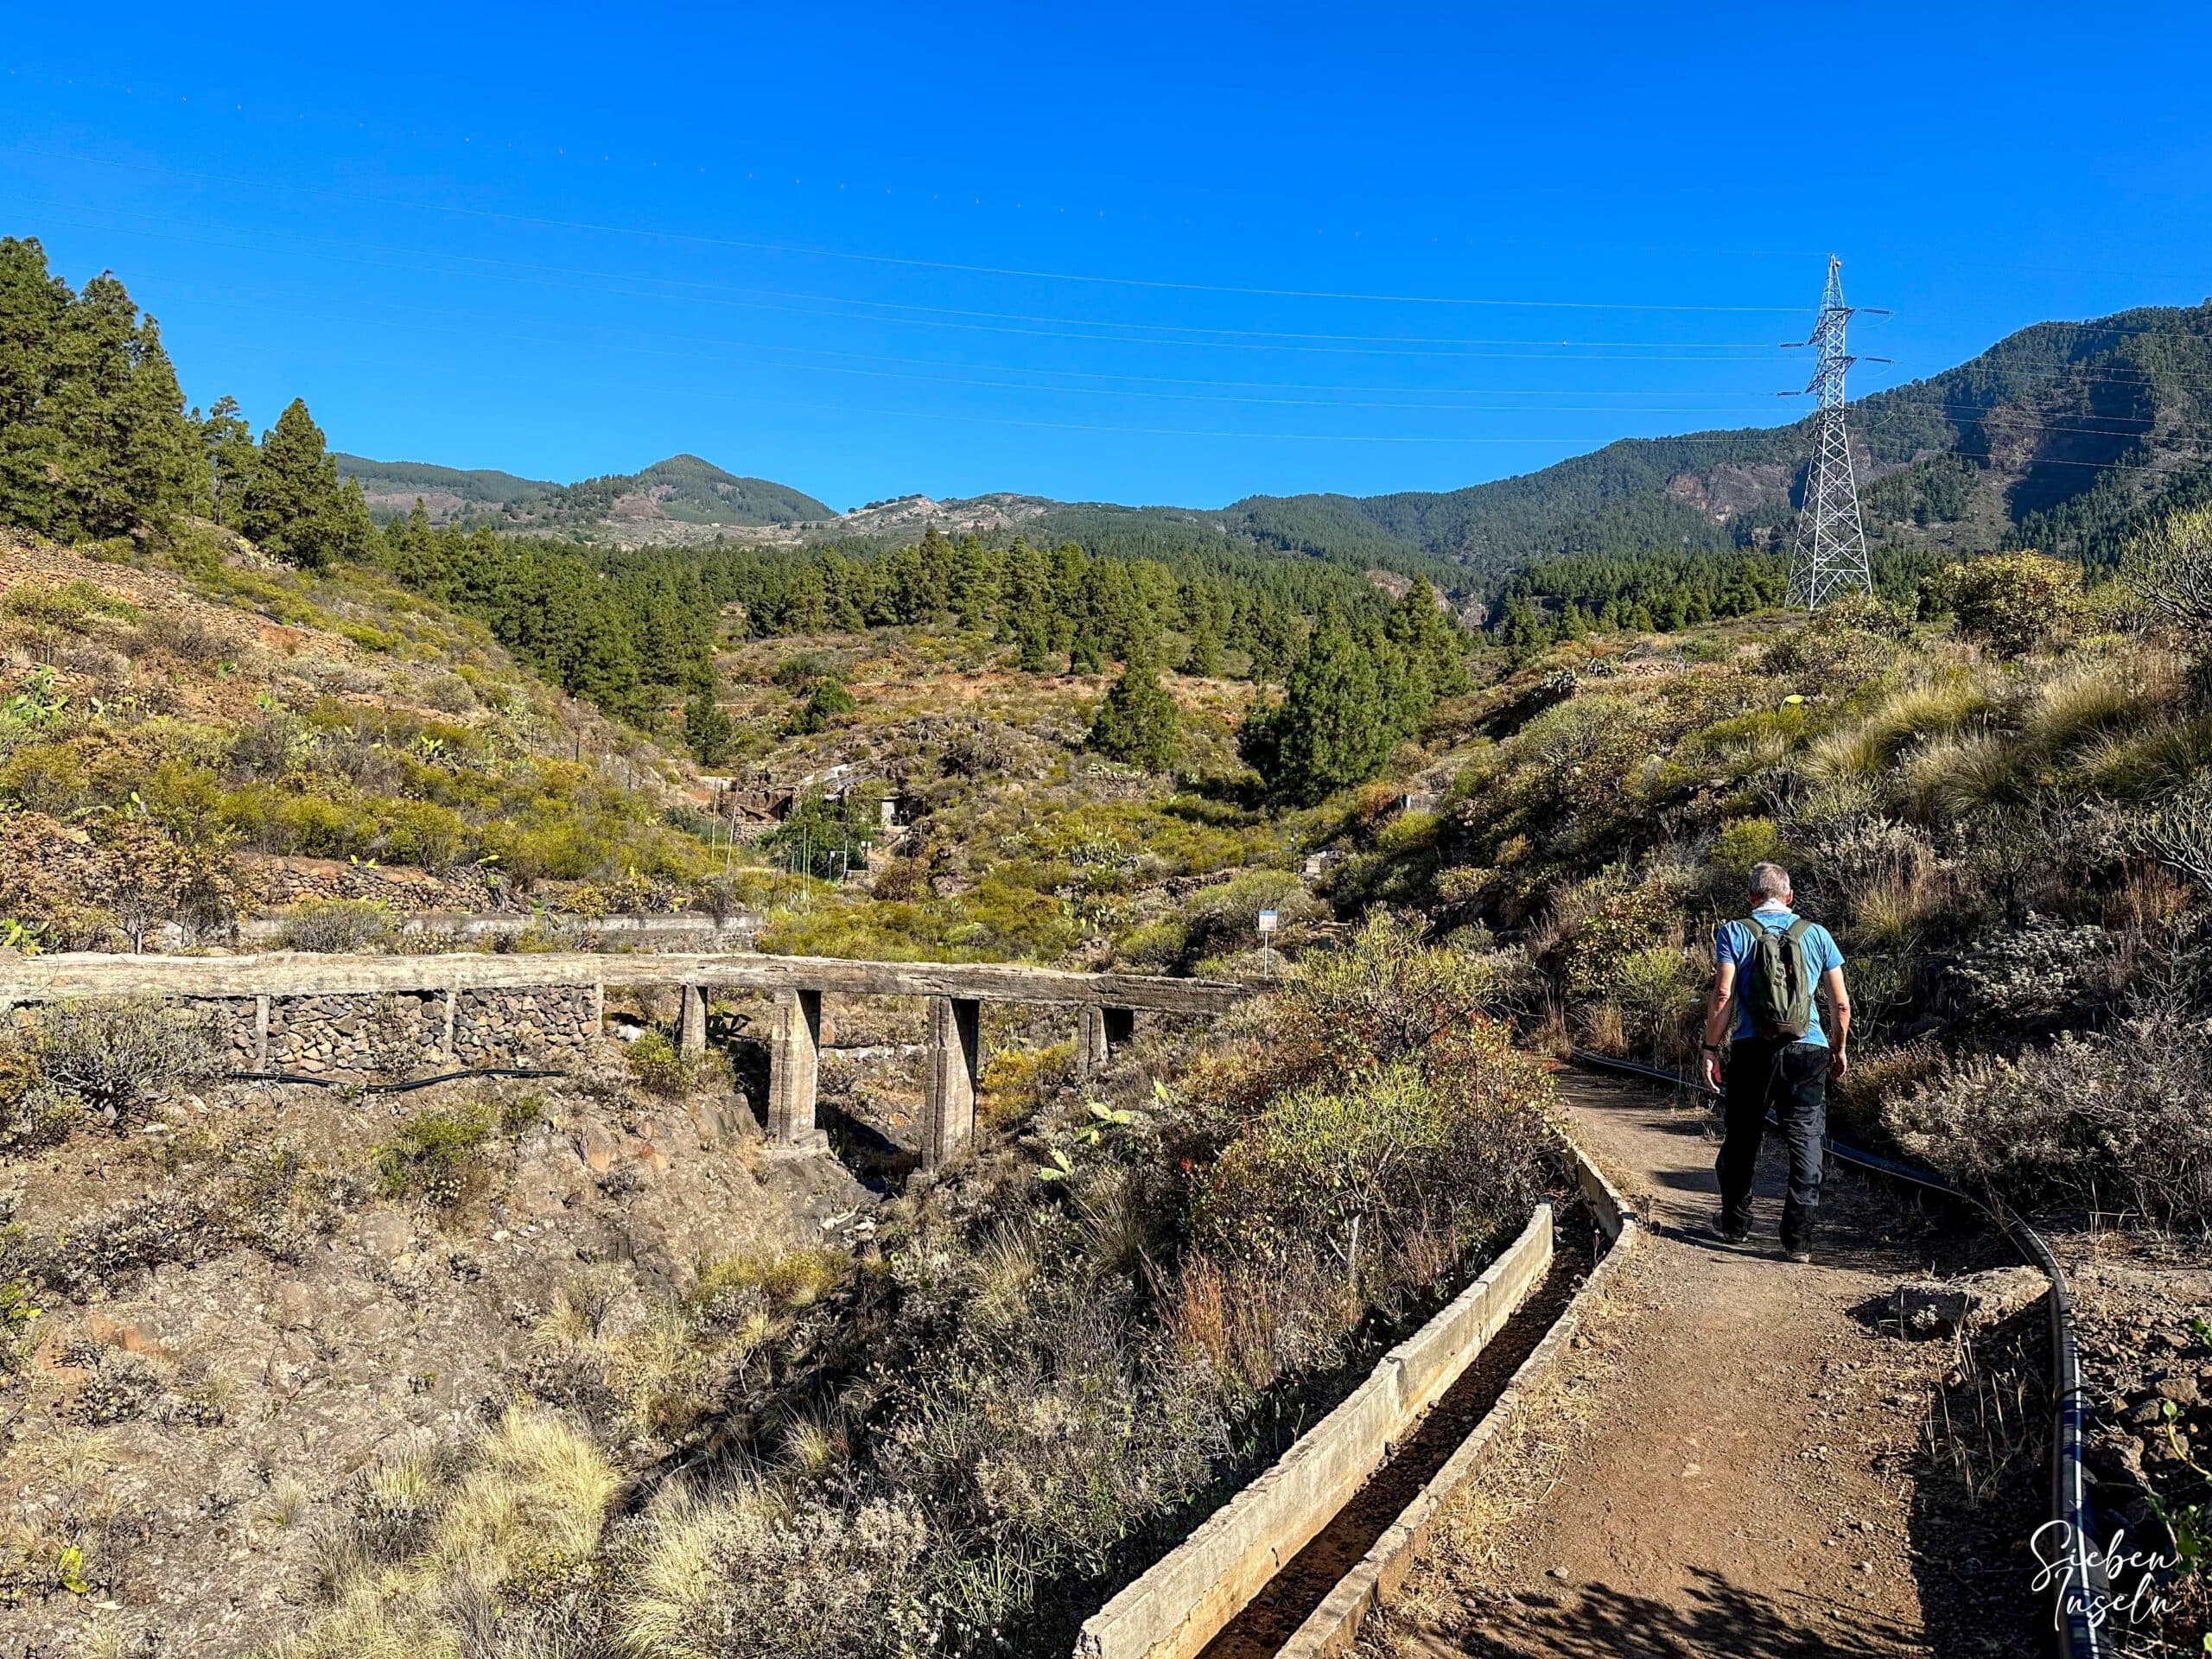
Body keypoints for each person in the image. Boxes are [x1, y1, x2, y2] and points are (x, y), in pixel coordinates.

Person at [1698, 861, 1850, 1262]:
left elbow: (1722, 996)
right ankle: (1797, 1241)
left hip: (1752, 1049)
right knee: (1806, 1141)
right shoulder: (1817, 934)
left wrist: (1710, 1048)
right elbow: (1840, 1003)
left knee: (1743, 1138)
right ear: (1789, 897)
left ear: (1751, 898)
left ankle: (1735, 1225)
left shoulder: (1735, 931)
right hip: (1809, 1049)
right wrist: (1837, 1048)